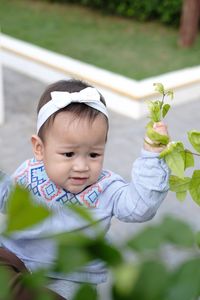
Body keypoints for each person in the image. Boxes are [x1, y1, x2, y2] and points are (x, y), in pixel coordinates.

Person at [0, 79, 170, 299]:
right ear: (39, 148)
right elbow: (5, 196)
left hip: (70, 278)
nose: (81, 167)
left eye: (93, 154)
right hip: (15, 257)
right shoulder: (29, 173)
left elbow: (140, 207)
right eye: (68, 154)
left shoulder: (107, 187)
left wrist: (152, 158)